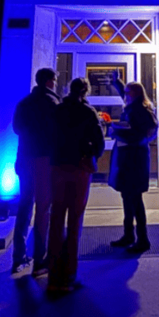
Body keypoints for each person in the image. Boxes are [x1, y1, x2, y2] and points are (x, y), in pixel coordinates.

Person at [46, 78, 105, 293]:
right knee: (75, 219)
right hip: (79, 168)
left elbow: (48, 136)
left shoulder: (58, 110)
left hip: (58, 166)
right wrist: (90, 154)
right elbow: (99, 141)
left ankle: (53, 275)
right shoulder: (88, 112)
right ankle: (69, 275)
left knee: (56, 216)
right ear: (86, 91)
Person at [10, 68, 60, 276]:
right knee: (43, 209)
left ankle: (18, 257)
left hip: (25, 158)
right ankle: (40, 258)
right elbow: (59, 132)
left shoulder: (24, 103)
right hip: (45, 161)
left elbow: (16, 129)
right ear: (50, 82)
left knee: (24, 206)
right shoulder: (53, 103)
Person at [107, 82, 158, 253]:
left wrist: (116, 132)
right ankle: (129, 235)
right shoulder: (137, 108)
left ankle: (142, 239)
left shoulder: (138, 111)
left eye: (128, 92)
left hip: (133, 161)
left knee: (134, 200)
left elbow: (136, 135)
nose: (125, 95)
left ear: (135, 94)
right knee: (128, 198)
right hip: (132, 159)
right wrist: (118, 83)